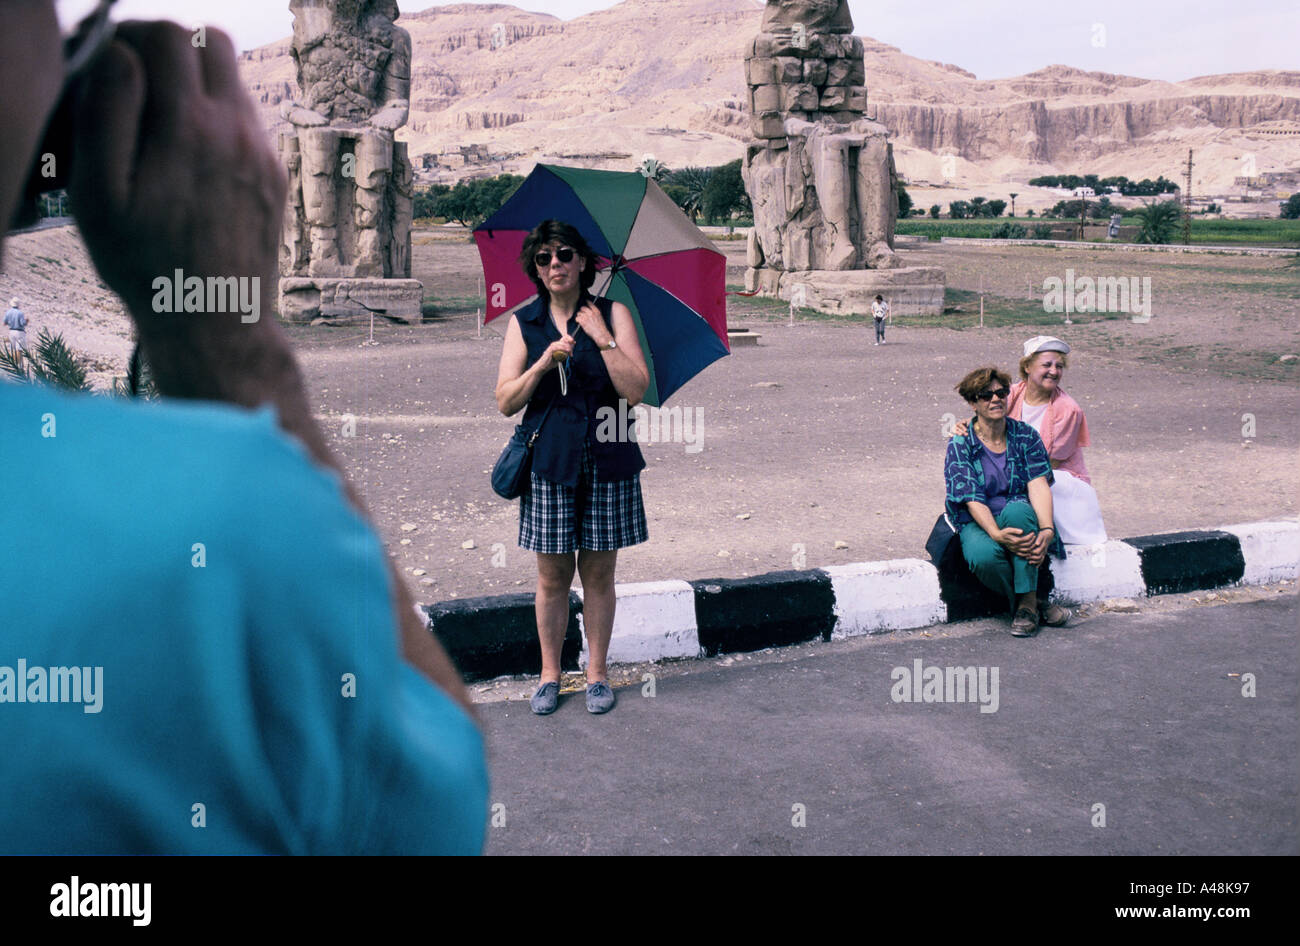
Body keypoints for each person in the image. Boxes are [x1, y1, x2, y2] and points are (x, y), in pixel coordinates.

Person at [0, 6, 486, 853]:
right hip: (303, 152)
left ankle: (359, 261)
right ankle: (327, 256)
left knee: (372, 168)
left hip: (363, 125)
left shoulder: (388, 37)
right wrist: (227, 343)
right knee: (326, 167)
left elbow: (396, 108)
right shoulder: (226, 528)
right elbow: (435, 817)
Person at [494, 220, 651, 716]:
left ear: (583, 261)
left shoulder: (612, 313)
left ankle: (597, 674)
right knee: (552, 576)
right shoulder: (526, 324)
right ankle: (549, 675)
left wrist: (603, 339)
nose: (555, 264)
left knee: (599, 574)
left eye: (564, 254)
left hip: (609, 454)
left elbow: (636, 390)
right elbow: (504, 401)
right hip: (551, 462)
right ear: (535, 270)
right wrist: (541, 364)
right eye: (543, 258)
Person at [943, 366, 1071, 637]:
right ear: (972, 403)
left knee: (1018, 512)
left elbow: (1037, 483)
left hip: (1017, 512)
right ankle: (1033, 603)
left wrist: (1047, 530)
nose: (995, 399)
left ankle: (1025, 606)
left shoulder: (1025, 436)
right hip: (978, 519)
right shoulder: (960, 443)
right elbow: (970, 496)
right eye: (985, 395)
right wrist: (996, 534)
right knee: (984, 557)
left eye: (1001, 392)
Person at [951, 336, 1105, 545]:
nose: (1054, 371)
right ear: (1028, 367)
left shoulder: (1068, 410)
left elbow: (1048, 465)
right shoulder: (1011, 393)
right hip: (1018, 472)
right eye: (1046, 365)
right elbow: (989, 414)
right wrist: (967, 424)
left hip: (1056, 478)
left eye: (1059, 366)